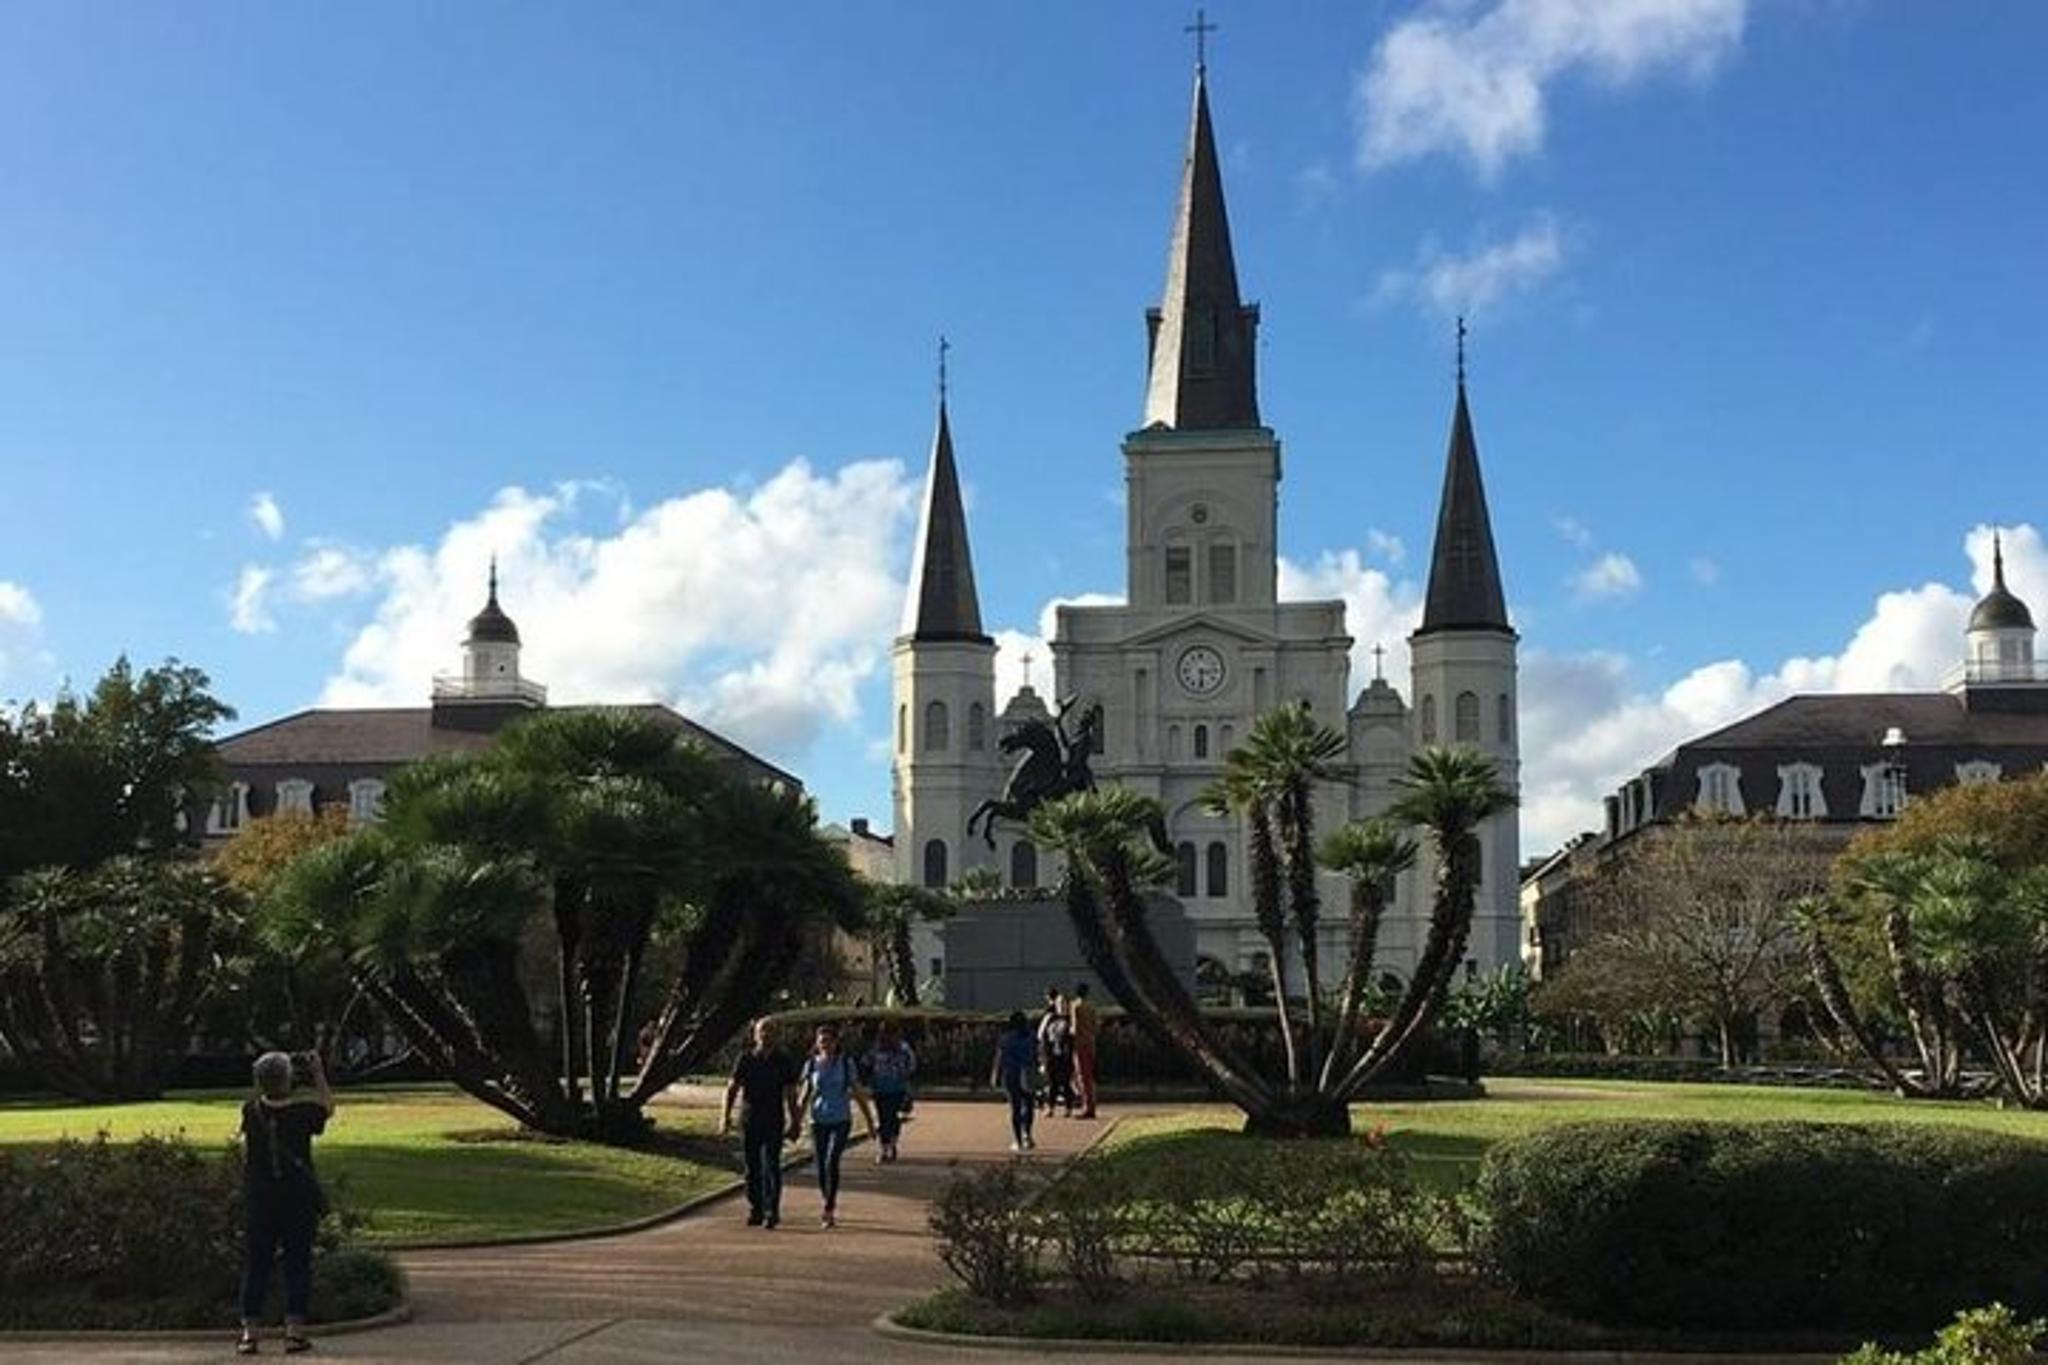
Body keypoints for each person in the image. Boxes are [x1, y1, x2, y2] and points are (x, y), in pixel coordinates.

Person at [237, 1050, 335, 1356]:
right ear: (288, 1079)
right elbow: (328, 1107)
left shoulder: (250, 1111)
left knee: (256, 1265)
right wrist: (318, 1073)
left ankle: (249, 1333)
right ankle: (294, 1331)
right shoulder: (304, 1112)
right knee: (297, 1263)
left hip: (260, 1199)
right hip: (296, 1198)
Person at [719, 1018, 802, 1229]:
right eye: (762, 1031)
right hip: (750, 1119)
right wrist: (725, 1116)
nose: (766, 1035)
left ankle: (771, 1210)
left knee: (771, 1165)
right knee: (752, 1167)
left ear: (777, 1035)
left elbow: (791, 1093)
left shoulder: (783, 1060)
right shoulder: (746, 1059)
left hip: (774, 1119)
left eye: (770, 1031)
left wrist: (796, 1121)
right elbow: (732, 1088)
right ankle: (756, 1207)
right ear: (755, 1035)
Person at [795, 1023, 876, 1228]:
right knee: (821, 1165)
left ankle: (829, 1208)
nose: (826, 1045)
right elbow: (804, 1095)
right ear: (817, 1044)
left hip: (840, 1119)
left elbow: (857, 1092)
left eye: (829, 1041)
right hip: (818, 1120)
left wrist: (869, 1122)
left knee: (832, 1160)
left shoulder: (846, 1063)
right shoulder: (811, 1065)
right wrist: (796, 1122)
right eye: (822, 1041)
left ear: (836, 1042)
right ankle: (827, 1197)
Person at [862, 1018, 918, 1163]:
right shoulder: (876, 1048)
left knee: (892, 1118)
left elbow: (912, 1065)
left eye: (890, 1032)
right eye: (885, 1032)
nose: (887, 1035)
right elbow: (866, 1062)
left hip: (897, 1088)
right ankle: (885, 1147)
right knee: (883, 1118)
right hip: (880, 1089)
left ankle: (891, 1144)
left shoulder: (903, 1048)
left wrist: (904, 1076)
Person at [991, 1010, 1038, 1153]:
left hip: (1011, 1074)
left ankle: (1018, 1141)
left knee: (1015, 1108)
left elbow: (999, 1058)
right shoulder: (1031, 1036)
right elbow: (1038, 1054)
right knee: (1029, 1105)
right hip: (1028, 1073)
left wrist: (995, 1075)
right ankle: (1027, 1134)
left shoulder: (1005, 1038)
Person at [1037, 986, 1075, 1117]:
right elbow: (1042, 1036)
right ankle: (1051, 1107)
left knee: (1065, 1082)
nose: (1061, 1006)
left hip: (1065, 1055)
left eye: (1064, 1004)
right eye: (1059, 1004)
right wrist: (1043, 1055)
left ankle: (1068, 1108)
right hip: (1051, 1055)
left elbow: (1072, 1038)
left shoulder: (1071, 1020)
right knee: (1052, 1081)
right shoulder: (1050, 1018)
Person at [1070, 981, 1101, 1119]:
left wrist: (1071, 1035)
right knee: (1089, 1076)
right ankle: (1091, 1104)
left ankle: (1087, 1106)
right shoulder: (1092, 1006)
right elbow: (1096, 1026)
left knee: (1081, 1076)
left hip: (1080, 1043)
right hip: (1091, 1042)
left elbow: (1075, 1027)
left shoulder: (1076, 1005)